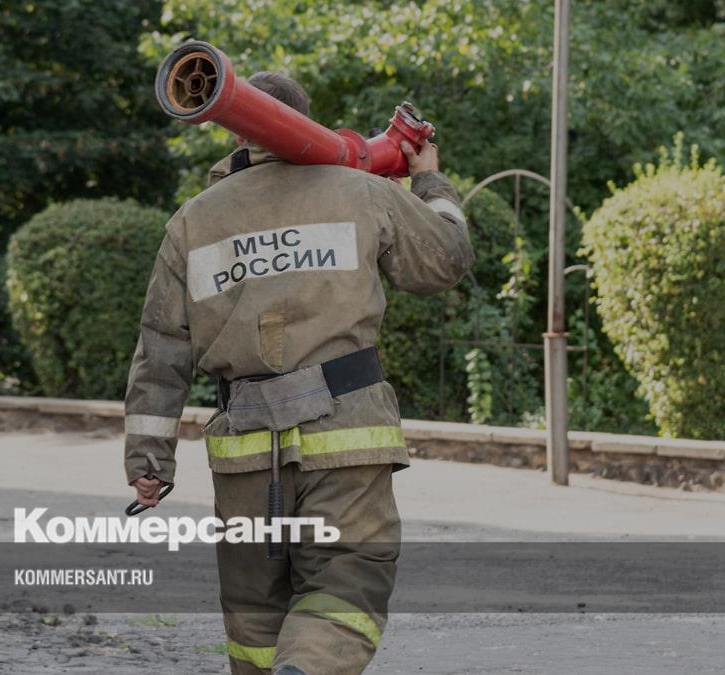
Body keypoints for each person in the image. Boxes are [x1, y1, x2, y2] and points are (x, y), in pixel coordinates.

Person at [123, 71, 475, 675]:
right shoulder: (360, 191)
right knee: (348, 578)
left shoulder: (192, 222)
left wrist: (149, 460)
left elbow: (161, 350)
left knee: (255, 615)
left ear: (237, 129)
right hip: (347, 437)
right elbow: (446, 261)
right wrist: (429, 180)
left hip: (245, 452)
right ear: (303, 121)